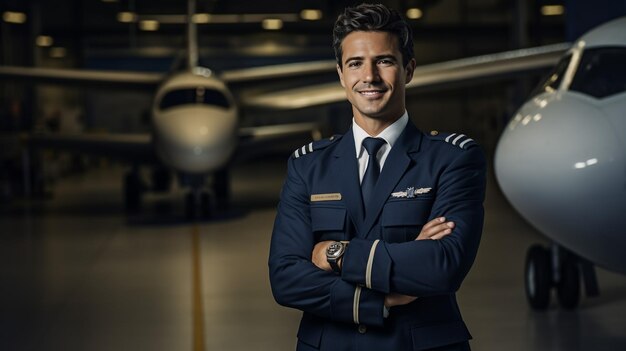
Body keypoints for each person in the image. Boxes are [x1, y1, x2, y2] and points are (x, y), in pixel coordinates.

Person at [268, 3, 486, 350]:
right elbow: (286, 279)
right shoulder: (308, 166)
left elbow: (444, 265)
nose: (369, 76)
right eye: (355, 63)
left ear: (409, 69)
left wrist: (334, 253)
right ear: (341, 74)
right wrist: (380, 299)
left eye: (384, 61)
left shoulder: (452, 159)